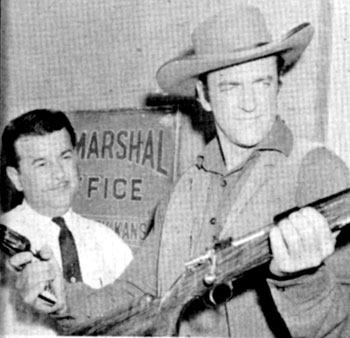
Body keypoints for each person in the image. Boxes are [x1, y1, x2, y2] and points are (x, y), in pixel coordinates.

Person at [6, 5, 350, 337]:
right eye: (231, 86)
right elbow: (132, 296)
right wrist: (64, 299)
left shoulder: (316, 171)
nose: (250, 103)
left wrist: (303, 281)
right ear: (204, 95)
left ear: (278, 84)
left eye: (261, 82)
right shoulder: (183, 190)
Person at [0, 109, 133, 335]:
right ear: (16, 178)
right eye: (42, 164)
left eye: (65, 156)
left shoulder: (108, 241)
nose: (60, 174)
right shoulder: (5, 244)